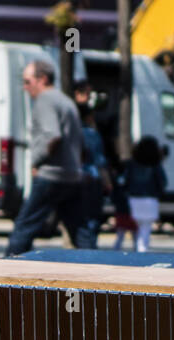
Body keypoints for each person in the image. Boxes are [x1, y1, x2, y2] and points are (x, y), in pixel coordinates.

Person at [4, 60, 84, 257]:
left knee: (24, 227)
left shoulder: (45, 100)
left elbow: (52, 136)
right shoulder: (66, 101)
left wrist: (36, 161)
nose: (25, 87)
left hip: (50, 175)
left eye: (28, 81)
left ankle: (4, 274)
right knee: (79, 233)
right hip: (72, 175)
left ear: (43, 79)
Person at [115, 136, 166, 252]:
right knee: (146, 229)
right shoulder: (155, 165)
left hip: (134, 199)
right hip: (150, 199)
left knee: (138, 227)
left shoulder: (132, 164)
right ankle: (142, 248)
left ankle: (139, 248)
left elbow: (124, 181)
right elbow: (162, 182)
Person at [75, 92, 111, 249]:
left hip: (75, 179)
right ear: (89, 117)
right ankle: (89, 249)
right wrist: (107, 182)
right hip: (93, 178)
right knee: (93, 219)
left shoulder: (72, 133)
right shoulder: (92, 134)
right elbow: (100, 161)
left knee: (78, 218)